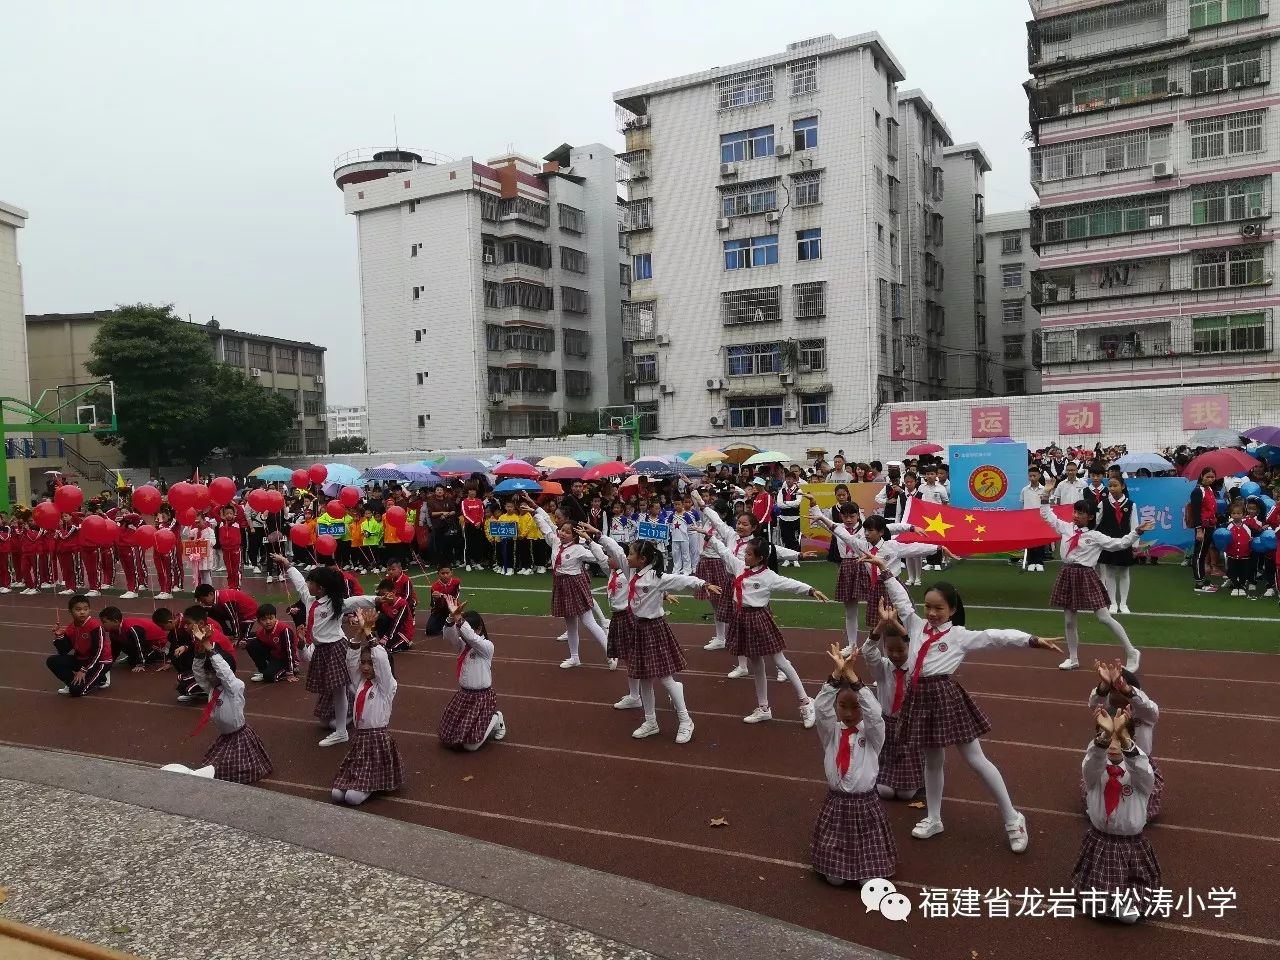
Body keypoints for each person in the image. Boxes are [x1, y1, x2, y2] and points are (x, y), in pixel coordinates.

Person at [873, 558, 1063, 851]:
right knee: (933, 760)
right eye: (929, 606)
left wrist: (1031, 640)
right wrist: (883, 569)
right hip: (919, 697)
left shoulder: (959, 636)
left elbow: (995, 637)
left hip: (945, 696)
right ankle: (934, 817)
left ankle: (1013, 818)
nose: (933, 613)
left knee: (976, 759)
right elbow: (900, 596)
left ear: (952, 610)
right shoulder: (915, 624)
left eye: (939, 608)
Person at [707, 532, 827, 726]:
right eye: (745, 552)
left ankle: (806, 701)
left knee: (780, 660)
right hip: (741, 619)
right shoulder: (739, 566)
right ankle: (763, 708)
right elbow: (724, 552)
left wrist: (811, 590)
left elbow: (790, 584)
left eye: (748, 554)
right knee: (756, 664)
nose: (743, 556)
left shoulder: (768, 576)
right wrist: (709, 537)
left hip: (759, 618)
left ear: (760, 558)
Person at [809, 644, 897, 888]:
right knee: (834, 879)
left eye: (855, 706)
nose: (849, 712)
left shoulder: (871, 734)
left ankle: (866, 867)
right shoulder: (831, 732)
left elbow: (876, 713)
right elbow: (820, 707)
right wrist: (837, 677)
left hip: (864, 804)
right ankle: (837, 865)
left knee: (868, 877)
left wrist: (856, 682)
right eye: (843, 706)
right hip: (837, 804)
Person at [808, 502, 943, 655]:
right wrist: (822, 518)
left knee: (904, 622)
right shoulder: (861, 545)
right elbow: (840, 531)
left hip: (893, 588)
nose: (865, 533)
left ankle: (919, 648)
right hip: (876, 590)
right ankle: (886, 659)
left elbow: (915, 548)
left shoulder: (892, 546)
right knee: (879, 627)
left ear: (880, 532)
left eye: (869, 531)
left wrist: (938, 548)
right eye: (865, 530)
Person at [615, 538, 714, 744]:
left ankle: (685, 720)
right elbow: (613, 551)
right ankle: (650, 721)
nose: (627, 557)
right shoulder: (631, 572)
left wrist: (702, 583)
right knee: (644, 678)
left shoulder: (655, 577)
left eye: (631, 554)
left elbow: (680, 580)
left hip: (654, 629)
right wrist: (597, 536)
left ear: (642, 559)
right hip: (638, 629)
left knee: (666, 678)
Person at [1039, 498, 1153, 672]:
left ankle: (1131, 651)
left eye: (1081, 513)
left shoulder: (1095, 536)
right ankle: (1073, 658)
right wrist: (1045, 496)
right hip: (1068, 574)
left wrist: (1137, 532)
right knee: (1069, 621)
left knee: (1104, 617)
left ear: (1090, 516)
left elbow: (1120, 544)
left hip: (1086, 576)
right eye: (1075, 512)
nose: (1076, 515)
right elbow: (1047, 515)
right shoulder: (1066, 527)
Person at [1072, 704, 1160, 923]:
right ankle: (1107, 902)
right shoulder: (1095, 772)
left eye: (1119, 740)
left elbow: (1142, 769)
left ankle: (1126, 901)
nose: (1113, 746)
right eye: (1108, 740)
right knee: (1096, 904)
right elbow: (1091, 763)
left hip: (1130, 845)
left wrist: (1124, 737)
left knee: (1130, 910)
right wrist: (1104, 735)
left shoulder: (1140, 773)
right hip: (1101, 842)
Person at [272, 553, 371, 747]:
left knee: (341, 689)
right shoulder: (310, 600)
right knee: (340, 689)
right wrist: (287, 565)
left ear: (321, 587)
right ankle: (352, 718)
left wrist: (380, 599)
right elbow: (299, 582)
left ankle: (345, 729)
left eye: (311, 582)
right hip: (321, 649)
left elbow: (359, 600)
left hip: (336, 648)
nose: (307, 585)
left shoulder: (336, 604)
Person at [524, 494, 612, 669]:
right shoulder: (555, 542)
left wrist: (597, 542)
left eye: (567, 532)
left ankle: (611, 653)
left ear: (575, 535)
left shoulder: (579, 549)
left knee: (588, 622)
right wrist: (534, 513)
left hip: (575, 585)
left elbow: (600, 555)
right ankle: (574, 657)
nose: (562, 533)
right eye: (562, 530)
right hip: (561, 585)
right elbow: (546, 528)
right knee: (570, 624)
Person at [330, 611, 405, 804]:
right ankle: (363, 784)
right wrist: (360, 633)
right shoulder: (360, 683)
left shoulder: (387, 687)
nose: (365, 667)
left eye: (369, 664)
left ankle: (371, 785)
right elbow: (350, 661)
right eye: (363, 663)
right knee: (336, 795)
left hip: (377, 743)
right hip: (360, 742)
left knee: (353, 799)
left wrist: (371, 634)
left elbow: (381, 662)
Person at [187, 631, 273, 784]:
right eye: (208, 673)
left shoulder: (234, 688)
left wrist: (211, 650)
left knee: (238, 767)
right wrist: (199, 655)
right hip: (225, 736)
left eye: (212, 673)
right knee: (218, 763)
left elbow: (225, 673)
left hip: (239, 736)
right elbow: (199, 676)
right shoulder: (213, 689)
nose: (209, 676)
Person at [1087, 660, 1163, 819]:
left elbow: (1147, 706)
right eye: (1112, 691)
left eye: (1120, 689)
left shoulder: (1145, 712)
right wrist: (1104, 686)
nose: (1115, 694)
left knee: (1142, 808)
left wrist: (1126, 689)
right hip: (1109, 761)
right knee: (1095, 798)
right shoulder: (1107, 707)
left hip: (1138, 762)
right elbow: (1094, 702)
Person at [862, 611, 924, 801]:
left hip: (909, 728)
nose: (895, 655)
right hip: (887, 726)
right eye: (890, 650)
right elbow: (868, 651)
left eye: (901, 650)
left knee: (906, 794)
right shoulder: (882, 668)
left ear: (909, 648)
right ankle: (887, 775)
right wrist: (882, 624)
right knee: (885, 792)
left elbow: (918, 645)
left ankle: (919, 778)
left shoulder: (916, 667)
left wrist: (899, 626)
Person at [439, 596, 506, 750]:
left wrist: (459, 617)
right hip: (464, 695)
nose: (461, 633)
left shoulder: (486, 646)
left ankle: (495, 718)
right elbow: (449, 635)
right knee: (449, 737)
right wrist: (451, 618)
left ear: (479, 629)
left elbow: (471, 637)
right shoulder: (462, 645)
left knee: (471, 746)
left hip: (481, 697)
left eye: (465, 629)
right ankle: (484, 723)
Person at [46, 594, 112, 696]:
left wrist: (83, 669)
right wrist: (59, 637)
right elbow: (63, 651)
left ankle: (102, 677)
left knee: (77, 691)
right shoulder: (70, 628)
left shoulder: (95, 626)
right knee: (52, 661)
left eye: (85, 609)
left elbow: (98, 651)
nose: (82, 612)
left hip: (100, 662)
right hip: (82, 659)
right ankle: (73, 683)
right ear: (70, 611)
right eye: (78, 609)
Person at [1096, 477, 1139, 613]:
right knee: (1109, 572)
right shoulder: (1103, 504)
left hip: (1125, 542)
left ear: (1122, 486)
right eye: (1110, 486)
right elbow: (1096, 522)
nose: (1112, 489)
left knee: (1125, 572)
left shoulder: (1131, 504)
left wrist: (1135, 545)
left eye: (1115, 485)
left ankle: (1124, 603)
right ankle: (1113, 603)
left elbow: (1134, 525)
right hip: (1108, 543)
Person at [100, 605, 168, 672]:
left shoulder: (131, 629)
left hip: (158, 641)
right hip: (144, 640)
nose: (102, 625)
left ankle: (158, 654)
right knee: (125, 646)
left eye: (104, 622)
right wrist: (110, 661)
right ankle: (140, 657)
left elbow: (139, 645)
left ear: (115, 621)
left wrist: (140, 664)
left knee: (135, 658)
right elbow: (115, 648)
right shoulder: (113, 631)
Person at [246, 603, 298, 683]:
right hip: (275, 656)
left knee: (269, 677)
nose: (268, 622)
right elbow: (252, 637)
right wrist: (243, 641)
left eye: (271, 618)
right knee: (251, 644)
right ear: (259, 621)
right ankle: (262, 670)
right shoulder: (261, 632)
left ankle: (292, 669)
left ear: (275, 618)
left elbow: (289, 651)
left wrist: (290, 672)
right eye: (264, 619)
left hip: (286, 659)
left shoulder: (284, 630)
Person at [194, 583, 260, 646]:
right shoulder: (217, 595)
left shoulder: (225, 599)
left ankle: (258, 634)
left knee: (242, 640)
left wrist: (236, 637)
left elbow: (233, 618)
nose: (203, 603)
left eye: (204, 600)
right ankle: (227, 633)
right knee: (211, 611)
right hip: (239, 612)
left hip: (248, 615)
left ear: (211, 594)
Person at [1220, 500, 1256, 597]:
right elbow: (1222, 537)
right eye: (1234, 513)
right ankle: (1236, 586)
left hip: (1245, 555)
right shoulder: (1227, 526)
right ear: (1231, 514)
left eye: (1238, 513)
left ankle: (1242, 586)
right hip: (1232, 555)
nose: (1236, 515)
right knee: (1232, 571)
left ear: (1243, 514)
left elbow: (1252, 538)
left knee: (1244, 572)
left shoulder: (1247, 527)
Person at [1019, 465, 1051, 572]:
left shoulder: (1044, 489)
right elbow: (1022, 503)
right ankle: (1031, 562)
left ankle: (1039, 562)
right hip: (1028, 520)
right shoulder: (1024, 490)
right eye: (1030, 476)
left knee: (1040, 541)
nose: (1032, 478)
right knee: (1030, 541)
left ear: (1039, 476)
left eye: (1034, 476)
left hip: (1041, 519)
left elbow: (1048, 503)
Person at [775, 472, 804, 565]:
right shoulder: (782, 491)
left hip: (795, 518)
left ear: (794, 480)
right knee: (786, 539)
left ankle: (795, 559)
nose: (788, 480)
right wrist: (790, 504)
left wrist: (786, 503)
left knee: (795, 539)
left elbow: (797, 503)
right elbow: (779, 504)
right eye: (787, 478)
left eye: (790, 478)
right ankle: (787, 559)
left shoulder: (799, 490)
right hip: (784, 518)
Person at [423, 564, 460, 636]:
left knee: (461, 629)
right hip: (439, 610)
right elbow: (433, 605)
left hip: (453, 609)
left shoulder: (456, 582)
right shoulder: (434, 586)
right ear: (438, 574)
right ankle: (444, 626)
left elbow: (455, 597)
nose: (445, 575)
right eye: (443, 573)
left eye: (447, 573)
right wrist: (435, 598)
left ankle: (447, 625)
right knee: (429, 631)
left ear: (451, 573)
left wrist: (441, 595)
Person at [216, 505, 244, 590]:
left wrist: (233, 503)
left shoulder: (237, 522)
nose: (229, 515)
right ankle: (231, 586)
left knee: (236, 569)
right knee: (229, 570)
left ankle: (237, 587)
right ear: (223, 515)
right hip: (225, 550)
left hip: (235, 549)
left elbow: (241, 511)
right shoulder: (221, 522)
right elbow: (214, 512)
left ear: (234, 514)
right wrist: (221, 505)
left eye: (231, 513)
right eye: (227, 513)